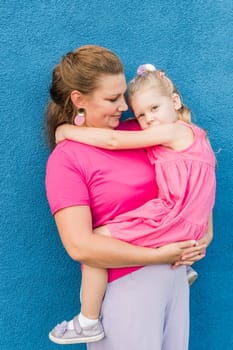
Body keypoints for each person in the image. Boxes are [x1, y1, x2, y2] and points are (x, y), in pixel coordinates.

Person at [45, 45, 211, 350]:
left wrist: (204, 232)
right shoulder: (67, 158)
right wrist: (160, 255)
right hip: (126, 288)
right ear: (78, 100)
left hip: (176, 282)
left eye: (123, 95)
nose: (125, 106)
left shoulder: (144, 130)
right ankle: (87, 321)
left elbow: (192, 175)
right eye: (112, 99)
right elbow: (80, 245)